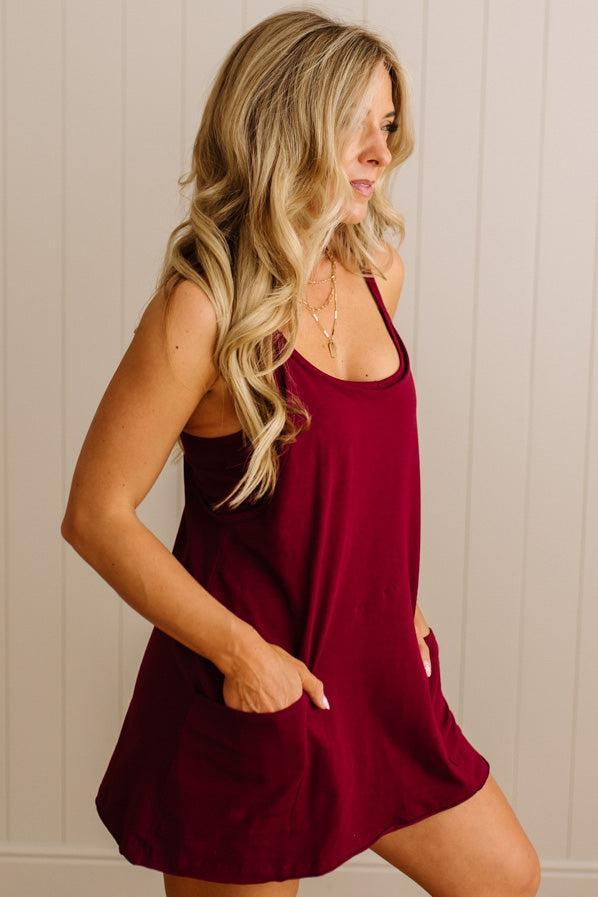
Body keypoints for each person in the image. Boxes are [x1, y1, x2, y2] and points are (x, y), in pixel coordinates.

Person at [61, 8, 541, 897]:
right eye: (354, 124)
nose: (379, 152)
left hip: (378, 678)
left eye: (387, 127)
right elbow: (95, 514)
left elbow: (351, 482)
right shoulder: (201, 309)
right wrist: (244, 656)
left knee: (504, 877)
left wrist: (399, 601)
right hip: (253, 688)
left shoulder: (379, 275)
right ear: (283, 124)